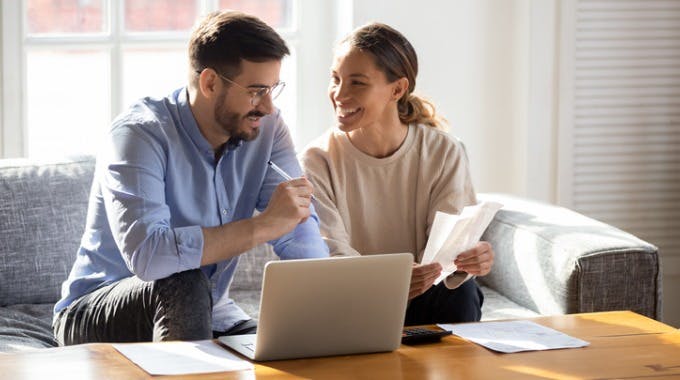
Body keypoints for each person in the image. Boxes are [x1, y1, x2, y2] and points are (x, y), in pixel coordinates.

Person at [53, 10, 328, 345]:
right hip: (96, 309)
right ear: (210, 82)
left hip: (211, 310)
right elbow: (150, 256)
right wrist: (262, 226)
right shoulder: (139, 135)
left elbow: (298, 226)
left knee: (291, 350)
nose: (268, 107)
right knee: (184, 280)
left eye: (273, 89)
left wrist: (326, 303)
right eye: (256, 91)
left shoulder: (267, 128)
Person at [301, 22, 494, 325]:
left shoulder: (443, 150)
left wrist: (468, 260)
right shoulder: (317, 160)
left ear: (398, 89)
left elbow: (448, 251)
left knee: (461, 292)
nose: (339, 94)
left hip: (427, 295)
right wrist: (391, 283)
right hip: (354, 301)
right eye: (335, 79)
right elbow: (331, 256)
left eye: (357, 83)